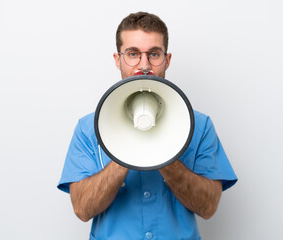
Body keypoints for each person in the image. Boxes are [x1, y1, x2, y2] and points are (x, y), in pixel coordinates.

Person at [58, 12, 237, 240]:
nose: (144, 66)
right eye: (133, 54)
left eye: (154, 54)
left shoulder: (200, 125)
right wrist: (127, 150)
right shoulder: (88, 128)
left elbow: (208, 206)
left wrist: (163, 151)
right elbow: (82, 209)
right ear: (117, 59)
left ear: (167, 59)